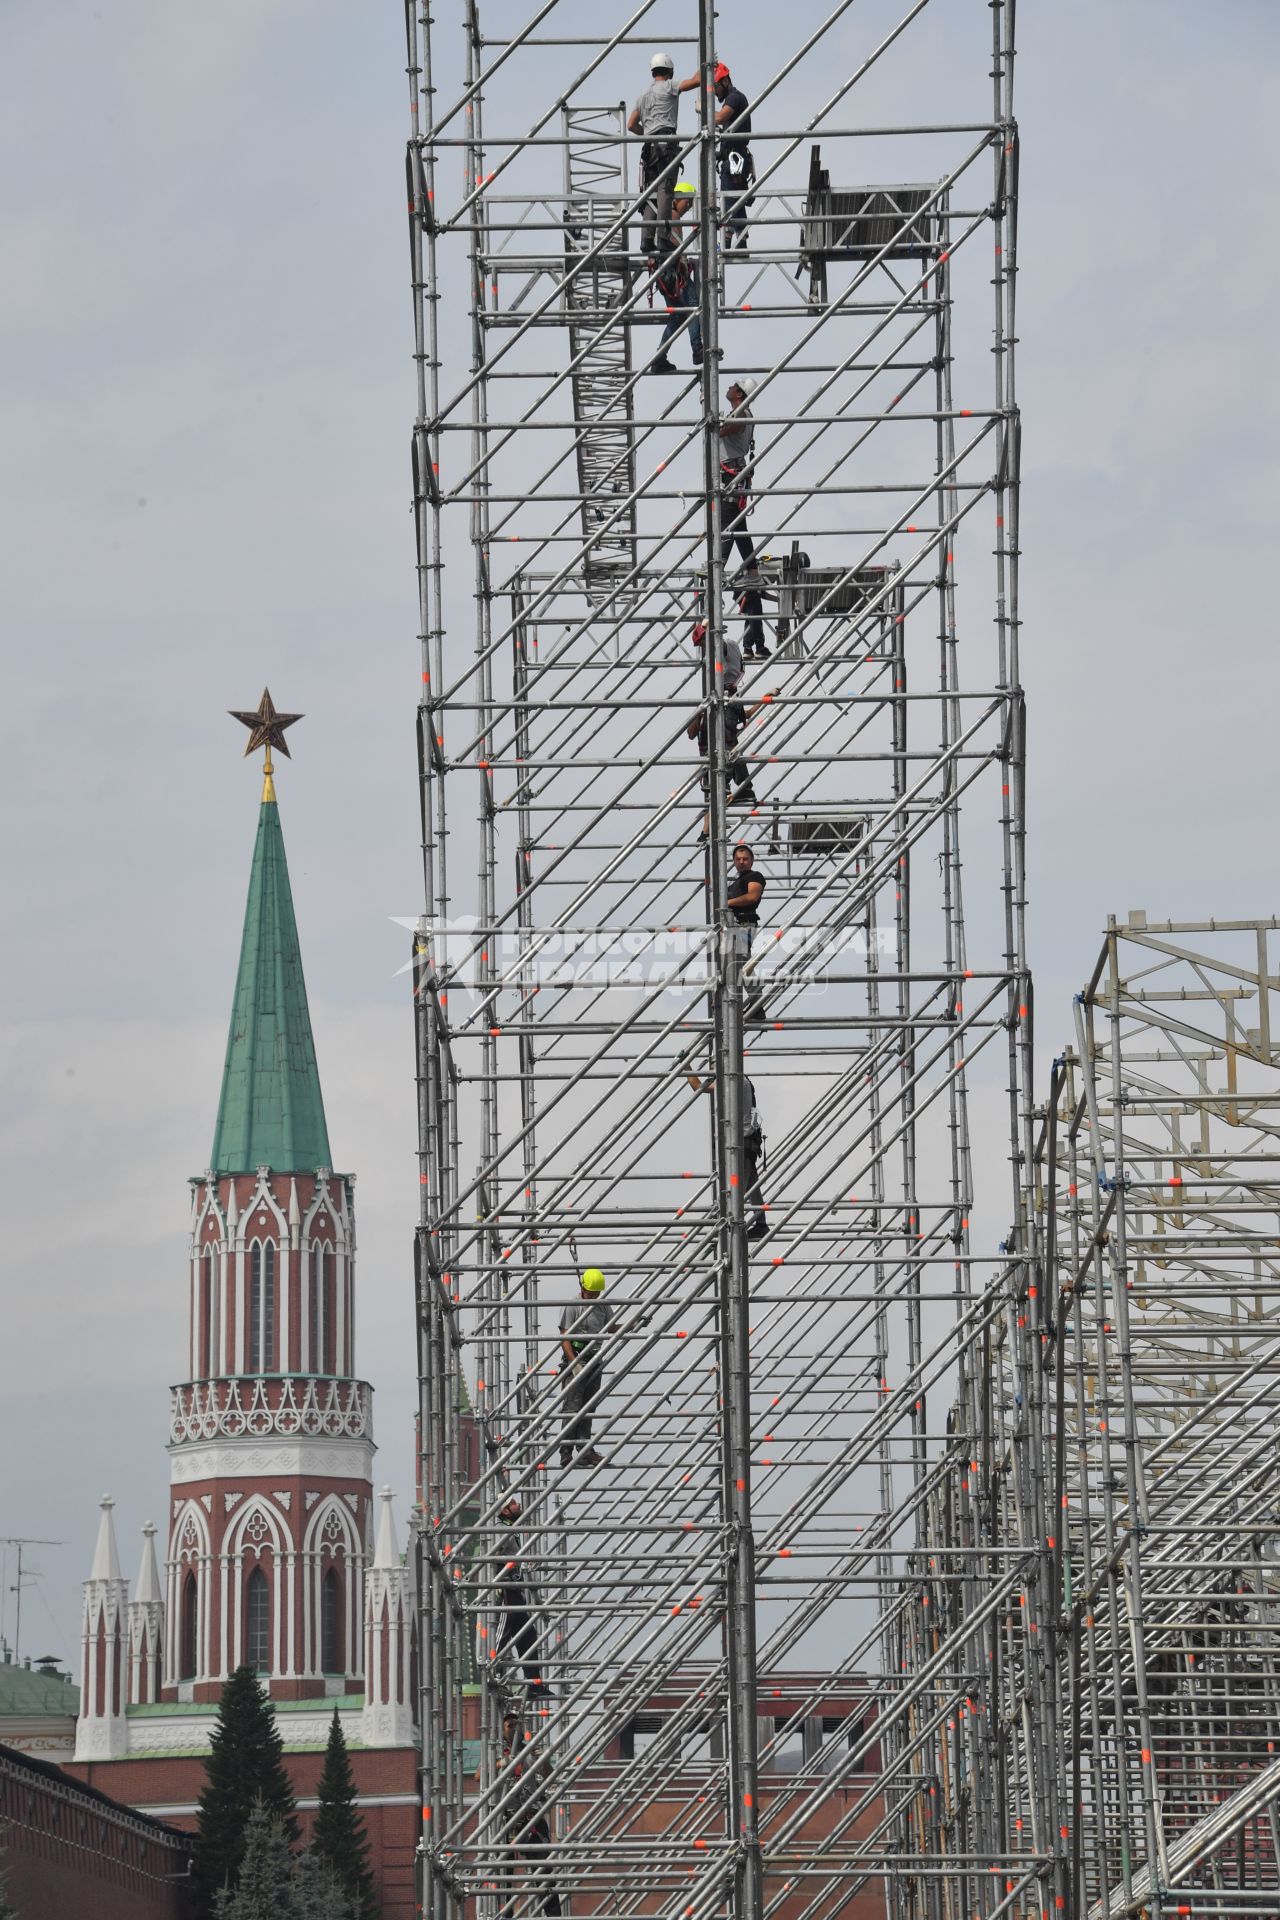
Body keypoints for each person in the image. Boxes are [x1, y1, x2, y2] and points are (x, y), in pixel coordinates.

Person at [628, 51, 701, 264]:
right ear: (669, 71)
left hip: (649, 147)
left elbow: (631, 124)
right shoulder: (670, 87)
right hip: (667, 144)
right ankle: (662, 237)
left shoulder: (643, 95)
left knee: (650, 191)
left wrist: (648, 134)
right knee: (665, 191)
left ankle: (646, 238)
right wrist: (707, 65)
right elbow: (696, 81)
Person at [686, 1065, 769, 1241]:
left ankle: (736, 1227)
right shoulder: (740, 1079)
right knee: (751, 1186)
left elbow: (697, 1086)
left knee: (737, 1187)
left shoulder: (734, 1081)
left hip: (743, 1143)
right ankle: (760, 1224)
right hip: (746, 1142)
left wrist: (686, 1066)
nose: (713, 1070)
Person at [499, 1713, 563, 1919]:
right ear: (503, 1730)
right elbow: (479, 1775)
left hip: (530, 1814)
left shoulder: (530, 1750)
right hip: (506, 1816)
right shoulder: (496, 1750)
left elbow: (549, 1775)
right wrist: (504, 1761)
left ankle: (553, 1915)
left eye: (517, 1725)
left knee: (543, 1869)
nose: (514, 1729)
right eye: (510, 1726)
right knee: (504, 1873)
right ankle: (505, 1915)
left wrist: (540, 1759)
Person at [558, 1267, 611, 1467]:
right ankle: (566, 1451)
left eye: (598, 1293)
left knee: (588, 1408)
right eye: (592, 1293)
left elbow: (611, 1326)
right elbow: (565, 1337)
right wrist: (574, 1364)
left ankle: (585, 1450)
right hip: (576, 1357)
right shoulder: (573, 1306)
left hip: (594, 1360)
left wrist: (632, 1325)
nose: (595, 1296)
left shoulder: (602, 1306)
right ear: (583, 1288)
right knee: (572, 1407)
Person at [649, 181, 702, 373]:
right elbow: (676, 247)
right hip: (672, 273)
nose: (687, 208)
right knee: (694, 307)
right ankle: (698, 349)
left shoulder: (663, 216)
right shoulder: (672, 215)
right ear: (677, 198)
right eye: (687, 203)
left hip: (665, 275)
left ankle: (659, 358)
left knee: (678, 315)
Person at [494, 1498, 543, 1693]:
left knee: (527, 1635)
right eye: (514, 1503)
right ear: (505, 1510)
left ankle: (534, 1683)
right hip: (506, 1591)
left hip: (516, 1590)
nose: (519, 1506)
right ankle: (495, 1676)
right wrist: (499, 1581)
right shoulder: (500, 1529)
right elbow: (493, 1556)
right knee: (502, 1636)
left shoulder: (510, 1529)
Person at [712, 61, 755, 248]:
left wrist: (701, 109)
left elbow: (720, 117)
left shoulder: (735, 97)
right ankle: (741, 239)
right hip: (733, 157)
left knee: (729, 197)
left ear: (725, 81)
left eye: (716, 87)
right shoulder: (733, 98)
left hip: (735, 158)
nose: (715, 93)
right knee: (734, 197)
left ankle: (729, 238)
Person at [728, 841, 767, 1020]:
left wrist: (726, 903)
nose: (741, 862)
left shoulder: (755, 876)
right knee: (738, 967)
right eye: (738, 859)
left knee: (741, 966)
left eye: (745, 859)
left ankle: (757, 1005)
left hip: (744, 924)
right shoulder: (734, 883)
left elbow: (752, 897)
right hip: (734, 926)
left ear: (752, 860)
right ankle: (756, 1006)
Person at [719, 382, 757, 568]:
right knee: (738, 525)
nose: (729, 387)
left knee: (727, 520)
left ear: (740, 394)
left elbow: (737, 424)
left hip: (732, 476)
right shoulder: (737, 414)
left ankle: (719, 564)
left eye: (733, 386)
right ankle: (752, 571)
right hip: (732, 474)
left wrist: (717, 428)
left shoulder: (743, 413)